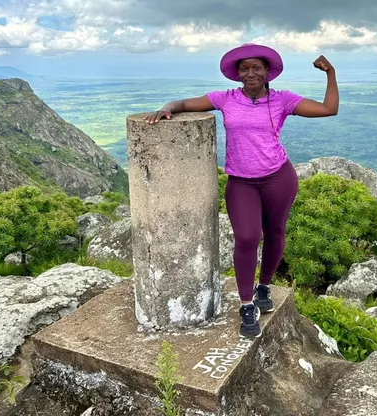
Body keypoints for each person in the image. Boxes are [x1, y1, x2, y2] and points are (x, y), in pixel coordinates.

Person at [145, 43, 339, 338]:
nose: (250, 73)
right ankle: (247, 304)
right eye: (244, 68)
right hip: (241, 181)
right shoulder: (225, 99)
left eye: (256, 68)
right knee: (247, 237)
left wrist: (331, 74)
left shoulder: (282, 100)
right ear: (237, 73)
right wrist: (165, 109)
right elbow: (182, 104)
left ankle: (264, 287)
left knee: (275, 233)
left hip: (278, 177)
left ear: (267, 72)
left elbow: (328, 109)